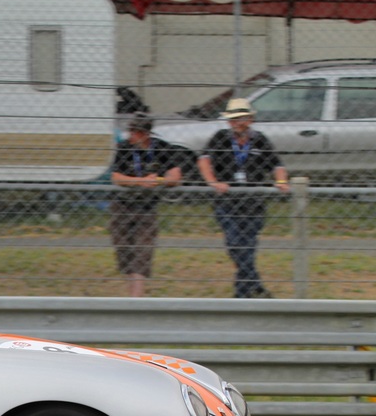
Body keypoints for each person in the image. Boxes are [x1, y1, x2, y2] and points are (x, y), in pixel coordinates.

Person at [198, 98, 290, 299]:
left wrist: (281, 181)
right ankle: (255, 285)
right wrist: (213, 182)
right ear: (229, 122)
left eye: (243, 118)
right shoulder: (220, 138)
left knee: (248, 246)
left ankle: (243, 293)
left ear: (251, 119)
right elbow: (204, 160)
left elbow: (277, 165)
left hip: (253, 203)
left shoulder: (260, 140)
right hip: (227, 202)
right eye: (234, 119)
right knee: (234, 243)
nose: (238, 122)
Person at [109, 113, 183, 297]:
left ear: (144, 133)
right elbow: (116, 177)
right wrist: (140, 181)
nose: (130, 135)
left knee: (143, 250)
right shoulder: (124, 148)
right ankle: (132, 294)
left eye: (134, 131)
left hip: (147, 207)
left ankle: (136, 298)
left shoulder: (162, 148)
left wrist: (157, 180)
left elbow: (175, 177)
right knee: (124, 250)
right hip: (123, 205)